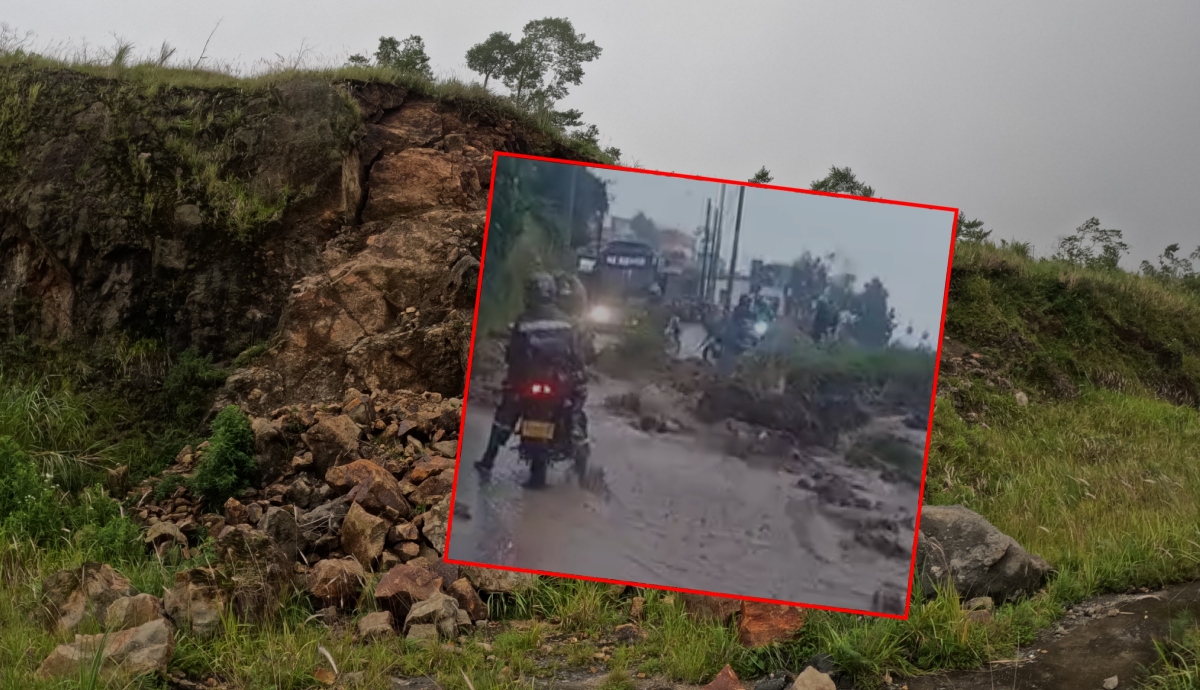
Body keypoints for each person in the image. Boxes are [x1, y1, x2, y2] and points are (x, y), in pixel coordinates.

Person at [474, 272, 590, 487]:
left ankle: (488, 460)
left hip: (527, 383)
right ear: (552, 294)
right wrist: (579, 376)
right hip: (559, 383)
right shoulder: (567, 322)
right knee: (575, 411)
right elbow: (577, 355)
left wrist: (514, 376)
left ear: (530, 295)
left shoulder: (523, 321)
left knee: (505, 415)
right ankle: (582, 467)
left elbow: (513, 356)